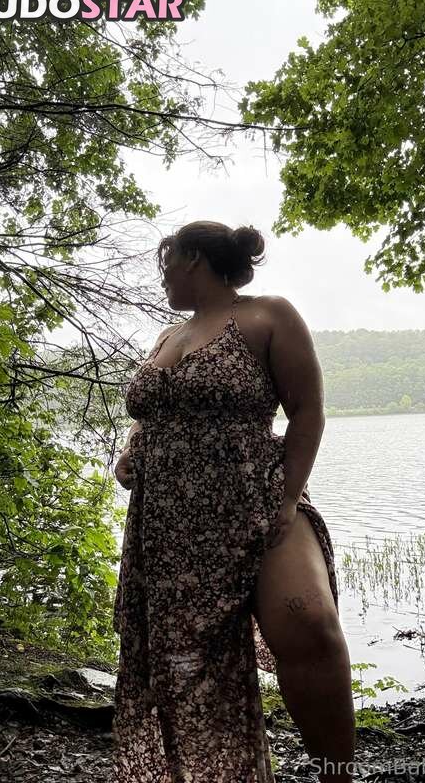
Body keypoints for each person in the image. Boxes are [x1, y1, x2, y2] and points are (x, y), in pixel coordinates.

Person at [111, 220, 356, 783]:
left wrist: (289, 498)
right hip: (170, 523)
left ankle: (337, 776)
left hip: (261, 499)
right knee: (187, 665)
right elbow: (155, 414)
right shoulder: (166, 337)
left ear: (194, 258)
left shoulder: (269, 315)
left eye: (167, 264)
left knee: (309, 622)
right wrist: (131, 451)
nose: (162, 278)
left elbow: (308, 412)